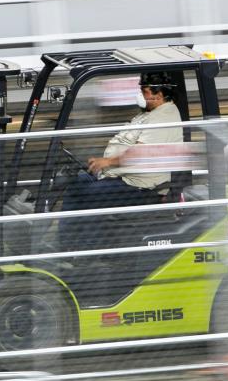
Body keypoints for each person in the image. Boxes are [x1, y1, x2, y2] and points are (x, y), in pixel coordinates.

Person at [58, 72, 184, 252]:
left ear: (159, 93)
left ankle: (86, 252)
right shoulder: (149, 114)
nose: (142, 95)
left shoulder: (164, 117)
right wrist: (102, 163)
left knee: (88, 194)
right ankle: (69, 246)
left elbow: (141, 154)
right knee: (77, 184)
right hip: (123, 178)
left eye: (145, 91)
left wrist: (107, 162)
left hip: (141, 188)